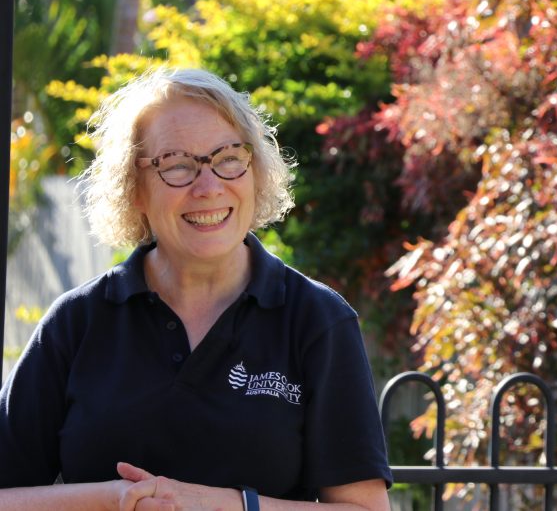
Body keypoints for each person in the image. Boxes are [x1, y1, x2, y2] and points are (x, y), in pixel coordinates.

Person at [0, 68, 392, 510]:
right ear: (135, 190)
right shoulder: (75, 323)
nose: (208, 187)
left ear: (254, 170)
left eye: (227, 158)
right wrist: (115, 499)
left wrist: (226, 504)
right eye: (176, 166)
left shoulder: (317, 319)